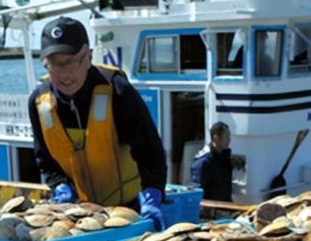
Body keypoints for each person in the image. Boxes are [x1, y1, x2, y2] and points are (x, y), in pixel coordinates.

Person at [27, 16, 168, 229]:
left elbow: (150, 151)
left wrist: (153, 194)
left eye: (72, 61)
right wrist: (60, 185)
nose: (64, 73)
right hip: (77, 215)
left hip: (128, 211)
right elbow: (45, 160)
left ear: (89, 56)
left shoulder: (117, 91)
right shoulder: (39, 103)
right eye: (55, 64)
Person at [190, 122, 234, 202]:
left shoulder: (224, 158)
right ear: (216, 138)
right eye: (227, 137)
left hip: (226, 206)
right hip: (212, 210)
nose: (229, 140)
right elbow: (198, 192)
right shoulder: (203, 162)